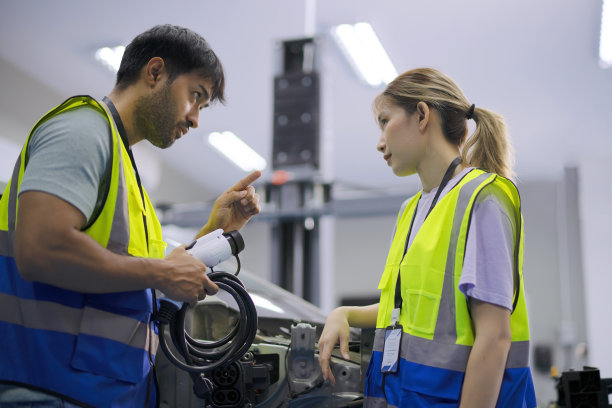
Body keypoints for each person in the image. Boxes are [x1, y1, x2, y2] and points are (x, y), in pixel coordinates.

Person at [0, 25, 261, 407]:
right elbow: (40, 249)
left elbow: (143, 280)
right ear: (155, 73)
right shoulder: (83, 131)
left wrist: (214, 232)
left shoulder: (125, 170)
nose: (195, 119)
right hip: (47, 388)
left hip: (94, 391)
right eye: (195, 97)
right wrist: (161, 273)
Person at [318, 68, 536, 407]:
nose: (379, 143)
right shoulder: (412, 209)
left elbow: (494, 337)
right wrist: (344, 313)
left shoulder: (483, 198)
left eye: (384, 121)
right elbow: (405, 311)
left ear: (421, 115)